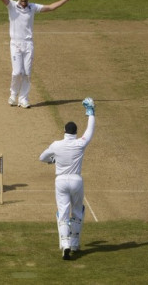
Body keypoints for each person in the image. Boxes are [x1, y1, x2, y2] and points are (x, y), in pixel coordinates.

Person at [0, 0, 76, 108]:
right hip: (15, 44)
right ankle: (13, 95)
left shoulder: (33, 7)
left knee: (27, 73)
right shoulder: (12, 5)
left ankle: (23, 99)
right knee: (17, 72)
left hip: (28, 44)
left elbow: (50, 7)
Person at [39, 97, 96, 260]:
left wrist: (53, 160)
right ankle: (75, 243)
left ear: (64, 132)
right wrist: (91, 113)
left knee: (63, 214)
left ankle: (66, 245)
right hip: (77, 180)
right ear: (75, 133)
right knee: (78, 212)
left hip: (61, 181)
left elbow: (41, 157)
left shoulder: (57, 145)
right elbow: (90, 132)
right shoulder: (80, 143)